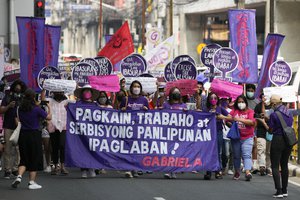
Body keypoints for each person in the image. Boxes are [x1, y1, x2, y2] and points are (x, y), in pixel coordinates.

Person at [11, 88, 52, 189]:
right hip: (34, 135)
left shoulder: (19, 109)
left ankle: (19, 176)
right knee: (34, 158)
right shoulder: (36, 109)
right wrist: (49, 107)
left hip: (23, 135)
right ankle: (31, 182)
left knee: (24, 158)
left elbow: (17, 121)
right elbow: (49, 117)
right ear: (34, 97)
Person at [120, 80, 149, 178]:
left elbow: (149, 113)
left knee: (137, 148)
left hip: (139, 128)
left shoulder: (144, 99)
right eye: (134, 86)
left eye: (138, 86)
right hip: (128, 127)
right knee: (128, 147)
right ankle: (128, 168)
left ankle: (135, 168)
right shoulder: (126, 99)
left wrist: (146, 110)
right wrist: (122, 110)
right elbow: (118, 111)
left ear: (140, 88)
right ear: (131, 88)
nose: (136, 88)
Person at [0, 80, 27, 179]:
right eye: (16, 87)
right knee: (8, 149)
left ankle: (15, 169)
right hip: (8, 126)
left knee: (18, 149)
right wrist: (8, 106)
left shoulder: (24, 98)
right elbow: (1, 110)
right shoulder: (7, 97)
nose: (18, 89)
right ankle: (7, 170)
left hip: (20, 127)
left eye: (20, 88)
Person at [268, 95, 293, 198]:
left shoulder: (274, 115)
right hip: (288, 140)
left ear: (274, 104)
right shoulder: (289, 113)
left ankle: (278, 191)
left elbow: (270, 130)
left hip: (277, 139)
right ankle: (285, 190)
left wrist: (264, 122)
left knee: (274, 165)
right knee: (284, 165)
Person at [73, 85, 100, 178]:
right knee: (82, 150)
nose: (87, 93)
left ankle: (92, 168)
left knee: (92, 150)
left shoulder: (95, 105)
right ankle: (83, 170)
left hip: (92, 131)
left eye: (89, 91)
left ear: (92, 94)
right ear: (82, 93)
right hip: (81, 132)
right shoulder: (78, 104)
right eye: (85, 91)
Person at [42, 90, 70, 175]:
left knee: (62, 145)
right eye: (57, 92)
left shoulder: (67, 102)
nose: (59, 94)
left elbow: (77, 102)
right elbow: (42, 99)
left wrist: (75, 87)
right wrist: (44, 88)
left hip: (64, 127)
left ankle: (62, 166)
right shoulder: (49, 101)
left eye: (61, 92)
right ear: (53, 93)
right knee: (54, 147)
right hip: (52, 126)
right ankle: (55, 166)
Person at [162, 87, 187, 179]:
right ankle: (169, 170)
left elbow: (188, 118)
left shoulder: (183, 105)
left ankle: (174, 170)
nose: (176, 94)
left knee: (176, 151)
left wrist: (186, 112)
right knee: (169, 151)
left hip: (179, 132)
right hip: (168, 132)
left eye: (178, 92)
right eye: (174, 92)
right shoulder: (166, 105)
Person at [229, 95, 255, 181]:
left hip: (247, 137)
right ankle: (237, 171)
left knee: (246, 155)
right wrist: (232, 125)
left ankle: (247, 172)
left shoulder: (250, 112)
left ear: (246, 103)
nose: (241, 104)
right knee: (236, 156)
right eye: (239, 102)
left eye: (242, 102)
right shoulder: (234, 111)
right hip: (236, 137)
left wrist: (239, 119)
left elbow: (251, 122)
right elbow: (227, 119)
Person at [203, 93, 229, 180]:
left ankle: (218, 170)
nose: (213, 99)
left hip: (218, 131)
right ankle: (208, 171)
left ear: (217, 99)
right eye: (211, 98)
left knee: (218, 152)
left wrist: (221, 117)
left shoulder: (220, 108)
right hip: (208, 133)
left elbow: (229, 117)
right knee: (209, 152)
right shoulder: (206, 109)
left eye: (215, 98)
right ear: (208, 99)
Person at [254, 94, 270, 176]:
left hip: (271, 132)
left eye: (266, 96)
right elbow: (256, 118)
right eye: (263, 96)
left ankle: (268, 167)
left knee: (269, 151)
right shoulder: (258, 106)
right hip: (261, 131)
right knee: (261, 149)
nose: (265, 98)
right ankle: (262, 166)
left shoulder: (273, 107)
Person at [245, 84, 260, 173]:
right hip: (244, 125)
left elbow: (259, 115)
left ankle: (254, 163)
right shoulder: (243, 100)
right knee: (245, 146)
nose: (250, 92)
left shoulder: (257, 102)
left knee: (254, 144)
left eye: (251, 91)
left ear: (254, 92)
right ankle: (246, 164)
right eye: (248, 90)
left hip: (254, 126)